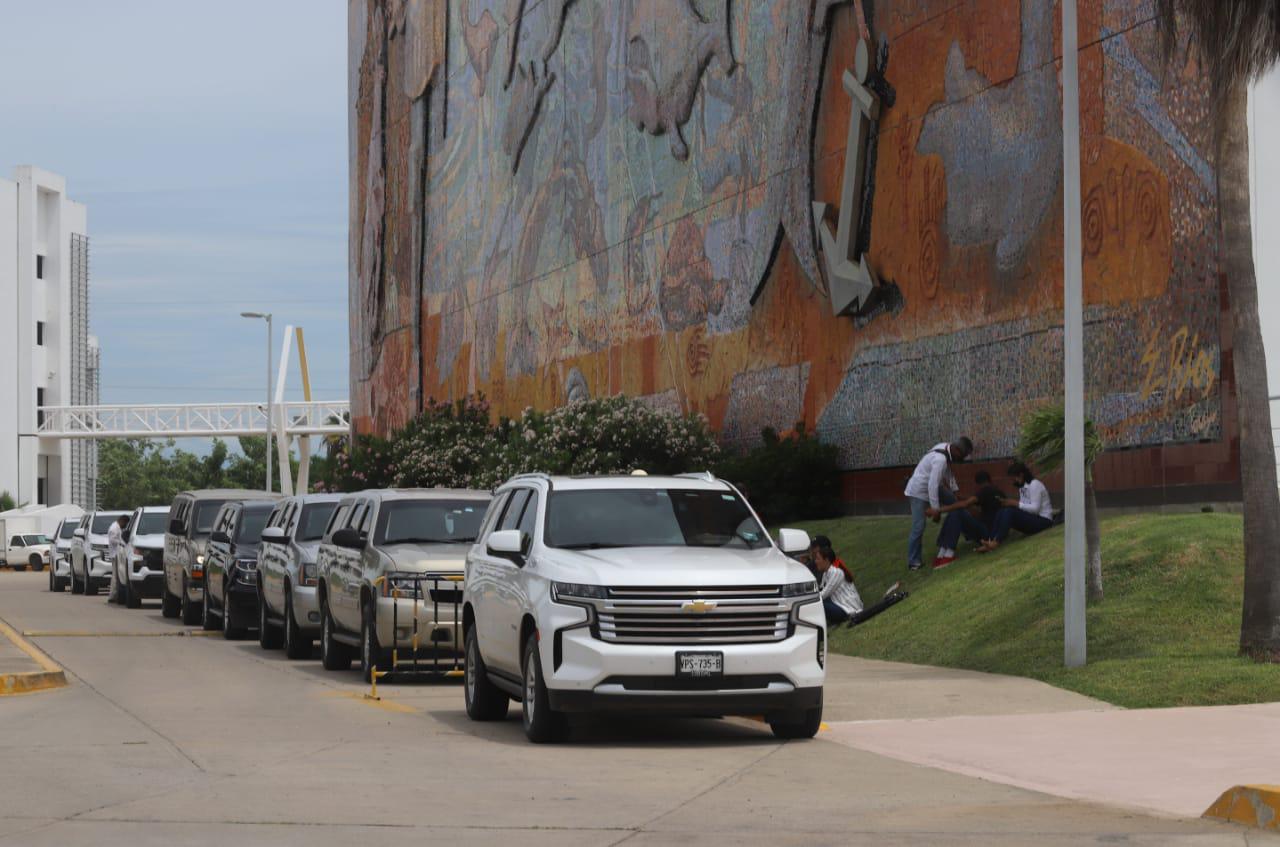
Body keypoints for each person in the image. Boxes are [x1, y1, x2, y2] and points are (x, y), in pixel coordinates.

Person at [903, 436, 972, 571]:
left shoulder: (946, 449)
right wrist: (936, 510)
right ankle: (913, 561)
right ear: (956, 450)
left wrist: (955, 491)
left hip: (933, 486)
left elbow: (948, 472)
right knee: (918, 526)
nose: (962, 459)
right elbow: (932, 485)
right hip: (918, 491)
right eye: (963, 456)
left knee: (955, 503)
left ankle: (968, 533)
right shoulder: (940, 460)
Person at [932, 470, 1005, 568]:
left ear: (977, 484)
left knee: (957, 512)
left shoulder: (984, 491)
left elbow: (965, 504)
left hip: (987, 533)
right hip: (992, 531)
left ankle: (947, 554)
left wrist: (938, 510)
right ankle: (942, 553)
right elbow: (982, 511)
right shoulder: (998, 491)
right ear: (989, 480)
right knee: (956, 513)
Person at [979, 461, 1054, 552]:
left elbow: (1035, 509)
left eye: (1014, 478)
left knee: (1009, 511)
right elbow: (1023, 507)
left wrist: (1015, 503)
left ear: (1021, 475)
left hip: (1044, 521)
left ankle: (996, 542)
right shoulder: (1022, 487)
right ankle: (989, 541)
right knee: (1002, 510)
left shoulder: (1034, 484)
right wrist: (1009, 503)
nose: (1013, 481)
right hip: (1033, 519)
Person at [813, 544, 863, 624]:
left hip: (849, 609)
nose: (815, 561)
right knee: (818, 601)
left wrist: (807, 600)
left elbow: (824, 594)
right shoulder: (826, 574)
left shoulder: (836, 572)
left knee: (818, 603)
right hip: (839, 605)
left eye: (818, 559)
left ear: (826, 560)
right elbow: (820, 590)